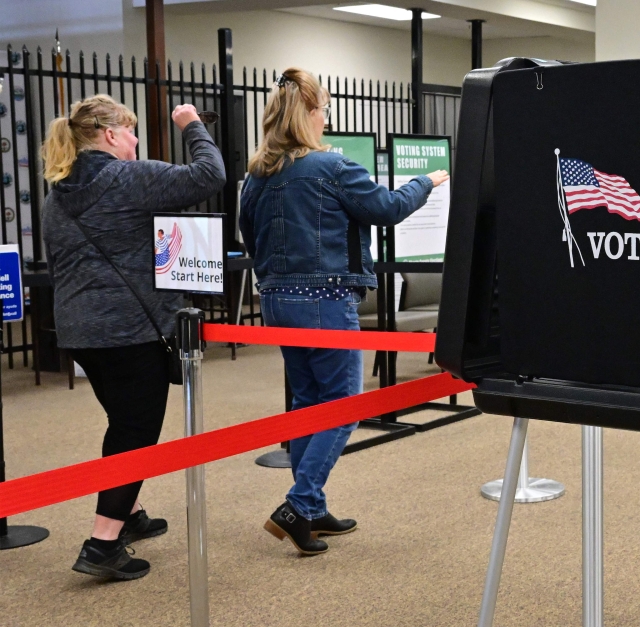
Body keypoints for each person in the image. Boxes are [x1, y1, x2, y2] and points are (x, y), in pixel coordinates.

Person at [240, 68, 448, 556]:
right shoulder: (331, 167)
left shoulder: (258, 174)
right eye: (325, 111)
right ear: (310, 115)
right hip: (325, 301)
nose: (326, 119)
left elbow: (250, 236)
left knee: (307, 402)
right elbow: (388, 207)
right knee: (344, 405)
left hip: (276, 300)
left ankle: (311, 513)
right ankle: (300, 501)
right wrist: (427, 181)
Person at [41, 95, 226, 579]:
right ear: (109, 134)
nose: (137, 140)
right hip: (131, 331)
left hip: (80, 330)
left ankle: (130, 512)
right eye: (131, 131)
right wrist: (190, 124)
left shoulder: (56, 191)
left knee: (121, 419)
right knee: (136, 432)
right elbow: (210, 176)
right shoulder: (128, 177)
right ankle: (103, 544)